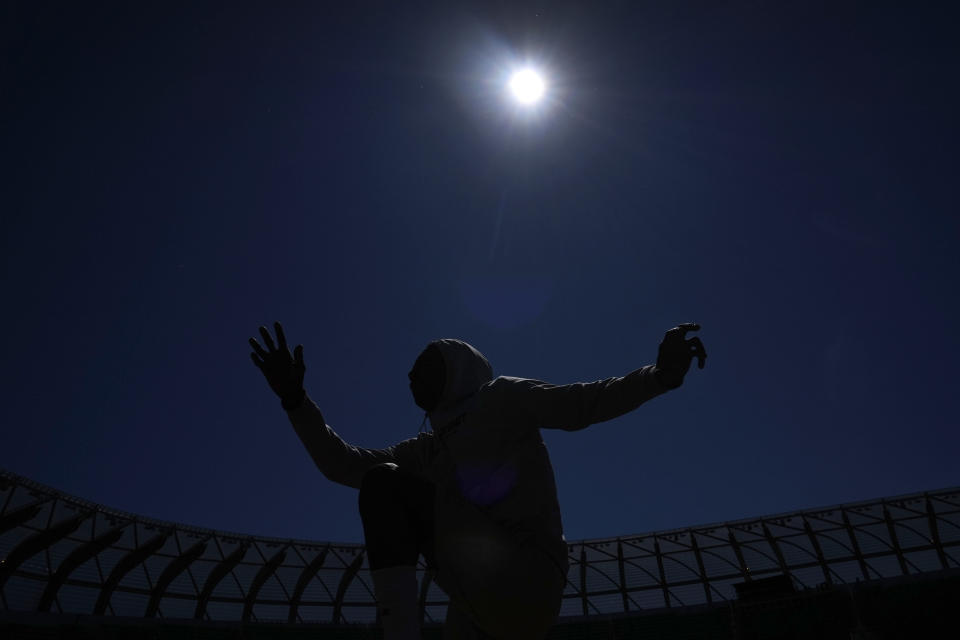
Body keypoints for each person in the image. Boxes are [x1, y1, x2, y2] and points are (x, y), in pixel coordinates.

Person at [249, 323, 706, 639]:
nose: (410, 375)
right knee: (379, 481)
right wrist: (295, 399)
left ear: (455, 369)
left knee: (387, 485)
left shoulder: (501, 399)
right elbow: (341, 464)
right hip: (477, 605)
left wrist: (660, 376)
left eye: (424, 366)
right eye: (410, 370)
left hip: (526, 574)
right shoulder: (422, 449)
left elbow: (583, 404)